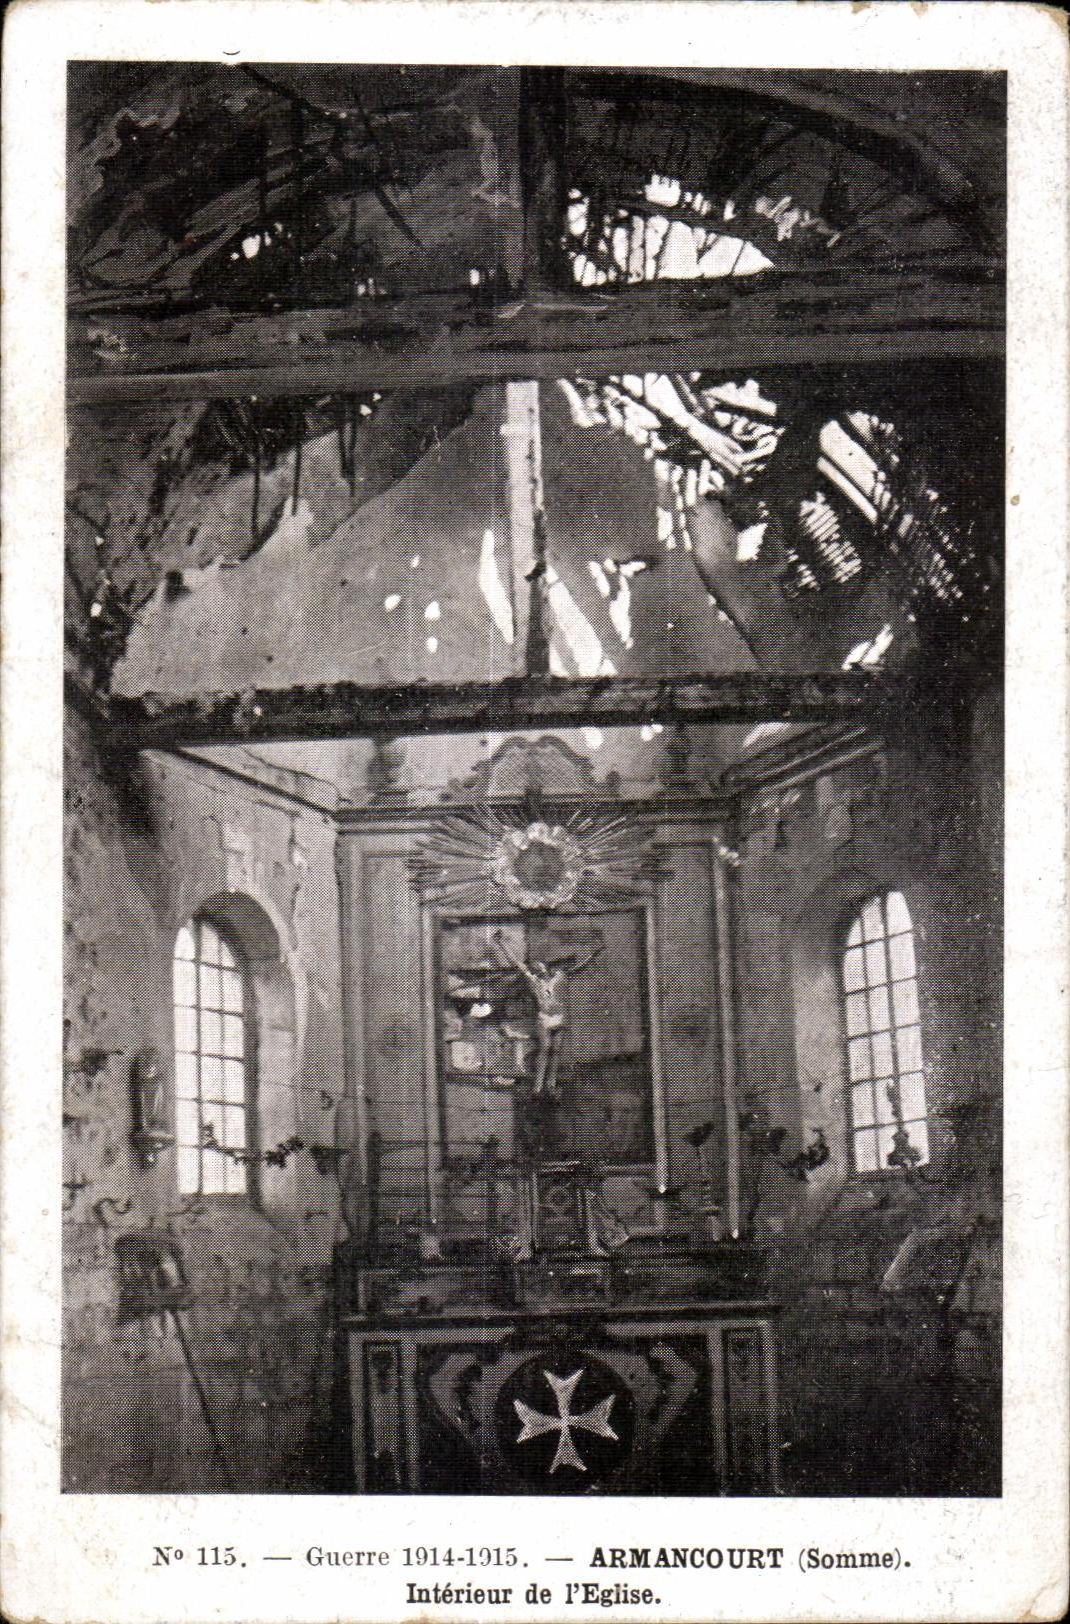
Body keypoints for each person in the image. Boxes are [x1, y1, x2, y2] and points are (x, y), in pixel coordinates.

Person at [491, 930, 603, 1096]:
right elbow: (515, 962)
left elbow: (580, 967)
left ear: (546, 967)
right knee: (545, 1048)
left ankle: (551, 1085)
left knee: (556, 1051)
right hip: (544, 1019)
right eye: (534, 967)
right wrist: (501, 943)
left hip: (560, 1017)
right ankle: (537, 1087)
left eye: (539, 965)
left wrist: (595, 952)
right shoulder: (533, 980)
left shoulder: (559, 976)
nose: (537, 967)